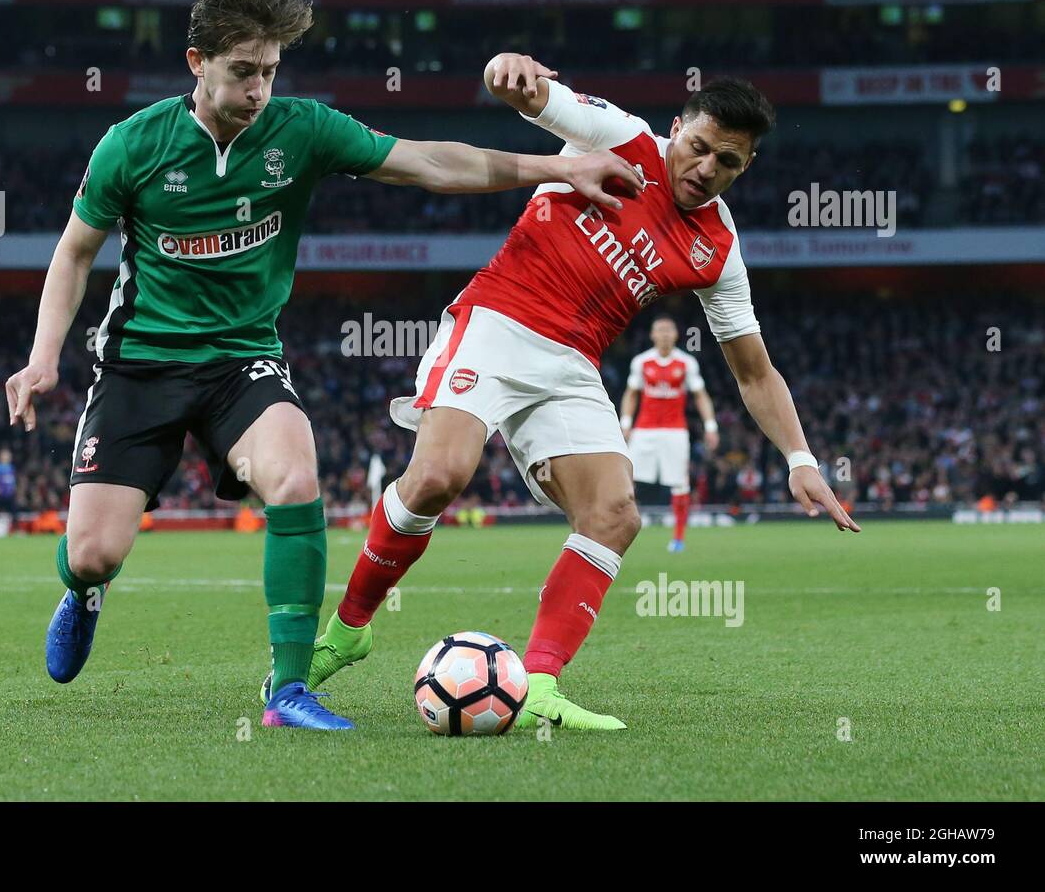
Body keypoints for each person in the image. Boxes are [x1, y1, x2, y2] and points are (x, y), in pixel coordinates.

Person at [3, 0, 644, 731]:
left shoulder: (300, 130)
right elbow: (75, 251)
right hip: (140, 363)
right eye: (242, 72)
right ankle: (82, 592)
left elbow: (429, 162)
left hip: (242, 360)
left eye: (269, 72)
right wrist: (46, 356)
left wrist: (561, 166)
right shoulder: (132, 146)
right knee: (95, 552)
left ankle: (289, 687)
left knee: (295, 473)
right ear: (196, 62)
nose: (258, 91)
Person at [302, 52, 860, 730]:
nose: (706, 168)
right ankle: (350, 626)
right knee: (439, 475)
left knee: (616, 513)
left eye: (728, 162)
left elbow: (753, 370)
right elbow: (532, 96)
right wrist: (506, 69)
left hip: (571, 362)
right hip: (499, 321)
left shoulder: (717, 248)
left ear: (746, 168)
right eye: (699, 147)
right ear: (676, 129)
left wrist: (801, 460)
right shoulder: (619, 136)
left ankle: (538, 683)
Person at [621, 316, 721, 552]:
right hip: (644, 430)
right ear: (652, 335)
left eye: (668, 330)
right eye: (660, 330)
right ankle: (620, 529)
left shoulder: (686, 363)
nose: (664, 334)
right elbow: (631, 393)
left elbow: (700, 395)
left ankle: (678, 539)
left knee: (680, 483)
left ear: (676, 335)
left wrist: (711, 426)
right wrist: (625, 423)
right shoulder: (641, 362)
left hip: (675, 431)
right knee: (626, 479)